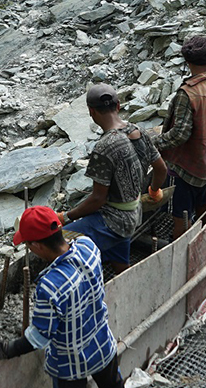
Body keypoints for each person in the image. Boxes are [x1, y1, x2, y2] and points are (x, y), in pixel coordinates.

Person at [0, 206, 124, 388]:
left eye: (28, 245)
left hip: (71, 365)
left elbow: (40, 337)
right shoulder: (88, 247)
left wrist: (9, 348)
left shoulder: (50, 286)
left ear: (37, 245)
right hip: (102, 346)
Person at [58, 84, 166, 274]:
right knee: (120, 258)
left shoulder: (104, 147)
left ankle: (78, 282)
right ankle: (124, 276)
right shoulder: (138, 131)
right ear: (118, 106)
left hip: (113, 220)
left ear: (91, 112)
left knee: (60, 239)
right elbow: (161, 169)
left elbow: (98, 199)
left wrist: (65, 217)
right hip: (134, 213)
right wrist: (154, 191)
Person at [153, 36, 206, 239]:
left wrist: (152, 143)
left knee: (180, 215)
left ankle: (180, 251)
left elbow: (179, 135)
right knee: (204, 207)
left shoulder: (187, 94)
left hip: (185, 169)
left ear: (187, 62)